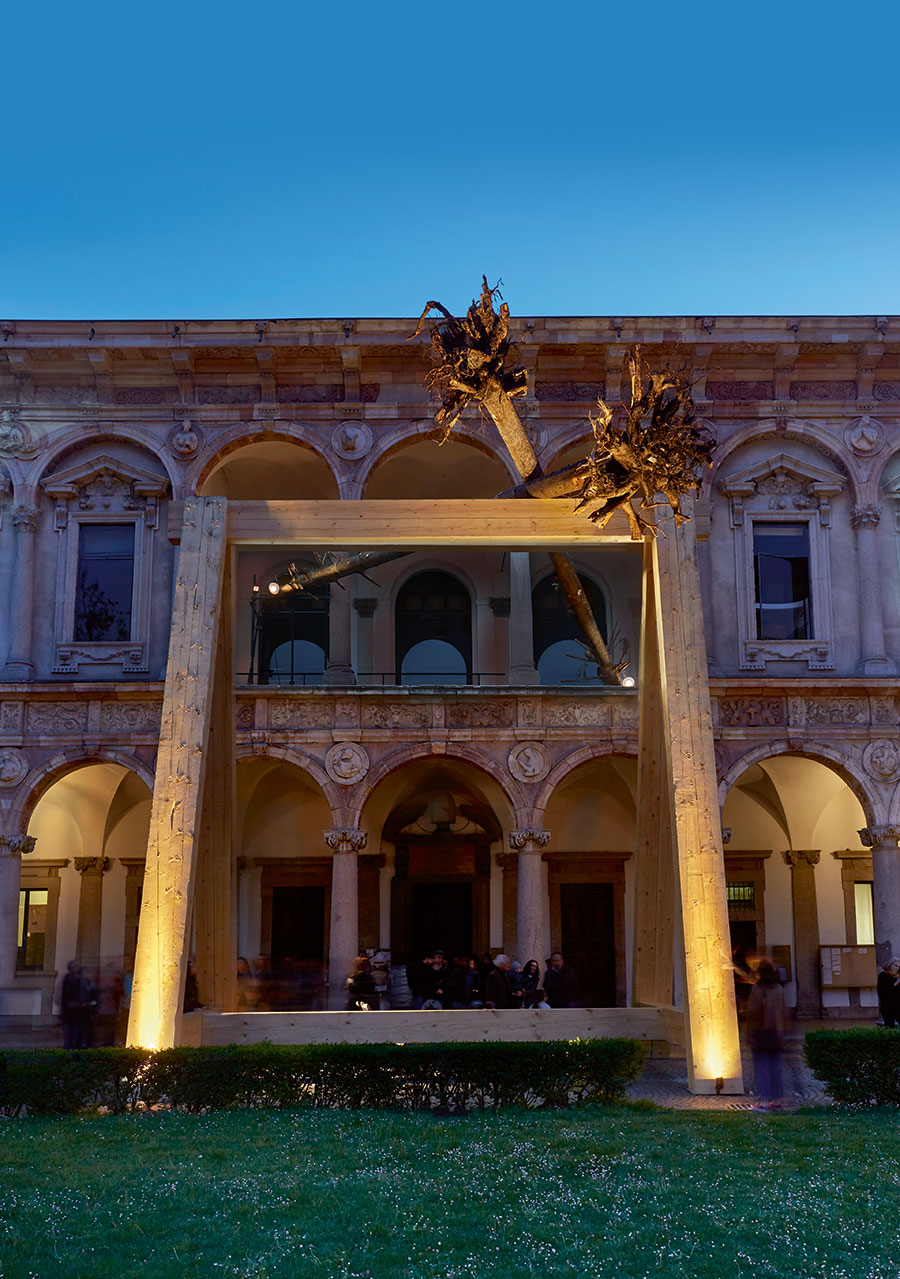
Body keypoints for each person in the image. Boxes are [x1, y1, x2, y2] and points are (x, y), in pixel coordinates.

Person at [746, 959, 786, 1110]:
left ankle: (763, 1101)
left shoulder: (757, 989)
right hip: (776, 1033)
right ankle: (776, 1100)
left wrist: (749, 1032)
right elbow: (783, 1012)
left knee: (762, 1068)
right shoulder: (779, 989)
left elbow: (754, 1012)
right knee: (775, 1067)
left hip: (761, 1033)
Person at [60, 960, 95, 1050]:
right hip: (72, 1008)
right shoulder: (69, 978)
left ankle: (78, 1044)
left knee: (78, 1028)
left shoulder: (82, 979)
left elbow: (88, 992)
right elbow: (65, 993)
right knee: (72, 1028)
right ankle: (71, 1045)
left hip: (80, 1008)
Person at [877, 957, 900, 1028]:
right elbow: (883, 991)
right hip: (888, 1006)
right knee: (889, 1025)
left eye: (899, 967)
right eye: (895, 966)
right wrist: (897, 983)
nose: (897, 968)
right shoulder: (883, 975)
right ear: (890, 965)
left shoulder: (897, 976)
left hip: (898, 1005)